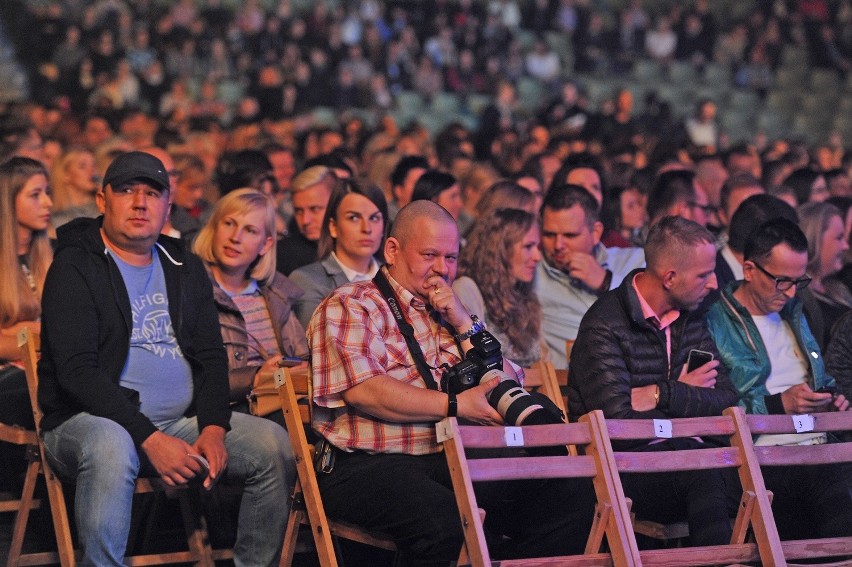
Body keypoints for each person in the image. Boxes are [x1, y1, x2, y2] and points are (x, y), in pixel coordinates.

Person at [38, 151, 292, 566]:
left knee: (273, 445)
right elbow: (77, 373)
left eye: (152, 193)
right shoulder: (74, 264)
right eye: (126, 191)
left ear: (166, 207)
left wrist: (212, 426)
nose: (140, 203)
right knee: (112, 443)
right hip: (84, 423)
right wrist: (150, 439)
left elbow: (210, 355)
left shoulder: (184, 265)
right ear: (102, 201)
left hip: (180, 423)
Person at [308, 200, 594, 565]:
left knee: (569, 493)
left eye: (451, 258)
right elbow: (365, 390)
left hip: (448, 456)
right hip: (367, 463)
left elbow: (509, 382)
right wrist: (456, 405)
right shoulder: (351, 303)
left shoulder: (448, 311)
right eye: (430, 255)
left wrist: (464, 323)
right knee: (450, 523)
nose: (442, 269)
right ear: (392, 250)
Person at [569, 216, 740, 547]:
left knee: (787, 477)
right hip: (628, 471)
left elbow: (727, 397)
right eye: (704, 275)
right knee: (702, 469)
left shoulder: (690, 316)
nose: (714, 284)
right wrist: (683, 401)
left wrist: (663, 392)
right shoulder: (604, 325)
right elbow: (617, 425)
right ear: (671, 277)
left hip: (689, 458)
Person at [706, 218, 852, 541]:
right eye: (781, 281)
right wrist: (778, 403)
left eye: (798, 282)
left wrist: (832, 397)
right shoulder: (714, 320)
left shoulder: (793, 313)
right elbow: (714, 403)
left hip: (816, 443)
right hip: (762, 454)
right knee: (833, 492)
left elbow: (819, 377)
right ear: (749, 270)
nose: (788, 292)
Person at [193, 188, 309, 418]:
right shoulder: (192, 289)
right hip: (227, 410)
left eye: (249, 230)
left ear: (265, 245)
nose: (235, 237)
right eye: (229, 224)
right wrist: (255, 376)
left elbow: (303, 359)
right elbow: (194, 379)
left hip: (279, 402)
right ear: (214, 227)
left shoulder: (277, 293)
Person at [535, 184, 645, 368]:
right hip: (566, 388)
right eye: (549, 235)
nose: (558, 245)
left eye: (570, 235)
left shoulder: (635, 261)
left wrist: (608, 282)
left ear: (595, 233)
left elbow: (658, 319)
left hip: (640, 379)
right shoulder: (531, 277)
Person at [290, 178, 387, 328]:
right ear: (333, 227)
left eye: (374, 218)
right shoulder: (308, 280)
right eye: (353, 218)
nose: (366, 228)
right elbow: (314, 345)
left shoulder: (395, 278)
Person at [0, 157, 52, 432]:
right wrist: (44, 334)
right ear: (8, 202)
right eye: (35, 195)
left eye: (47, 193)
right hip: (10, 380)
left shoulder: (54, 255)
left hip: (49, 369)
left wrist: (19, 332)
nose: (47, 203)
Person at [453, 208, 543, 367]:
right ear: (501, 249)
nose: (537, 256)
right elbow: (474, 355)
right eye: (528, 247)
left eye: (538, 247)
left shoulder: (523, 294)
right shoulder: (468, 289)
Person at [797, 201, 852, 351]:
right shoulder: (798, 300)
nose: (845, 246)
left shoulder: (837, 288)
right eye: (839, 238)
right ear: (814, 240)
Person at [275, 165, 336, 275]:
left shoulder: (356, 249)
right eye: (299, 211)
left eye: (315, 209)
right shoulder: (283, 255)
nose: (305, 220)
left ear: (336, 204)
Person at [49, 147, 100, 229]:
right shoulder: (55, 218)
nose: (92, 170)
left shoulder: (103, 209)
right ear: (65, 174)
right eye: (82, 166)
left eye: (93, 165)